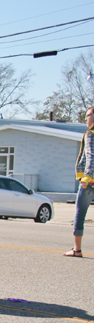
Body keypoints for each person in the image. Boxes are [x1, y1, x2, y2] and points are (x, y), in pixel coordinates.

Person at [65, 106, 94, 257]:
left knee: (80, 214)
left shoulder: (90, 134)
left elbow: (91, 156)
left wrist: (86, 177)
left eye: (88, 115)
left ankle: (77, 250)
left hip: (89, 182)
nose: (86, 118)